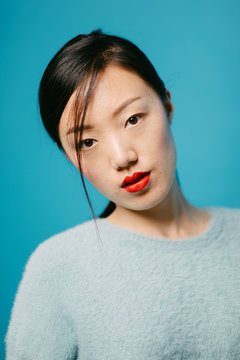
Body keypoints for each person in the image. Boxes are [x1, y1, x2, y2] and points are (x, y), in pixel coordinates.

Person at [5, 29, 240, 359]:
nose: (122, 157)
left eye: (133, 119)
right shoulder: (58, 266)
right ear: (71, 158)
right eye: (87, 142)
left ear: (167, 105)